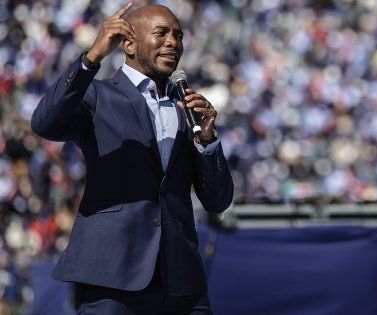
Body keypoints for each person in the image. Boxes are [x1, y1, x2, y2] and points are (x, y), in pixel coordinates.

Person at [31, 3, 233, 314]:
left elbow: (218, 201)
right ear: (128, 43)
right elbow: (45, 123)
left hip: (181, 284)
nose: (173, 42)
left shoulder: (188, 109)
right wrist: (91, 58)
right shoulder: (98, 96)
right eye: (161, 33)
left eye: (178, 35)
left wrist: (208, 140)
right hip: (113, 277)